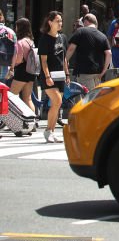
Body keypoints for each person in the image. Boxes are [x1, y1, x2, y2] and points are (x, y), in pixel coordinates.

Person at [36, 11, 66, 143]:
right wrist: (47, 76)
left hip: (60, 75)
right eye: (57, 21)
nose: (60, 23)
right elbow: (43, 60)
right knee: (57, 101)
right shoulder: (44, 39)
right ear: (50, 22)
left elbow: (64, 58)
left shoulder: (62, 37)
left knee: (57, 104)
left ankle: (52, 131)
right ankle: (48, 130)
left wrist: (67, 73)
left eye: (61, 21)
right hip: (48, 75)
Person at [65, 14, 110, 90]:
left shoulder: (80, 31)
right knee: (96, 97)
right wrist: (104, 71)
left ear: (86, 21)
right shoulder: (103, 36)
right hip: (98, 73)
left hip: (84, 72)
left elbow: (71, 49)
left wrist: (65, 60)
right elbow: (109, 54)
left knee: (88, 98)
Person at [7, 18, 38, 110]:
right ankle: (33, 120)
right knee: (28, 99)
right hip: (31, 72)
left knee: (11, 97)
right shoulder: (31, 41)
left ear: (20, 28)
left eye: (16, 26)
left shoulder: (20, 42)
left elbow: (18, 59)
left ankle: (12, 120)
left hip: (21, 71)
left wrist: (12, 67)